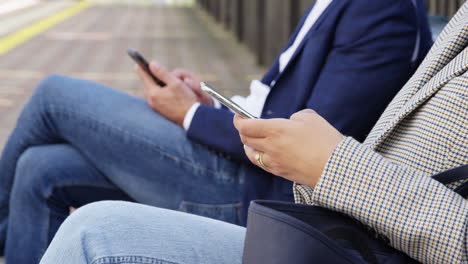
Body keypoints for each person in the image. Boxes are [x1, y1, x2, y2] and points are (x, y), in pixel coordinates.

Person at [0, 0, 432, 263]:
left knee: (54, 94)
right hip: (238, 157)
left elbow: (298, 144)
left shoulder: (383, 9)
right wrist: (209, 102)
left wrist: (189, 115)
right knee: (41, 168)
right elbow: (278, 107)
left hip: (251, 187)